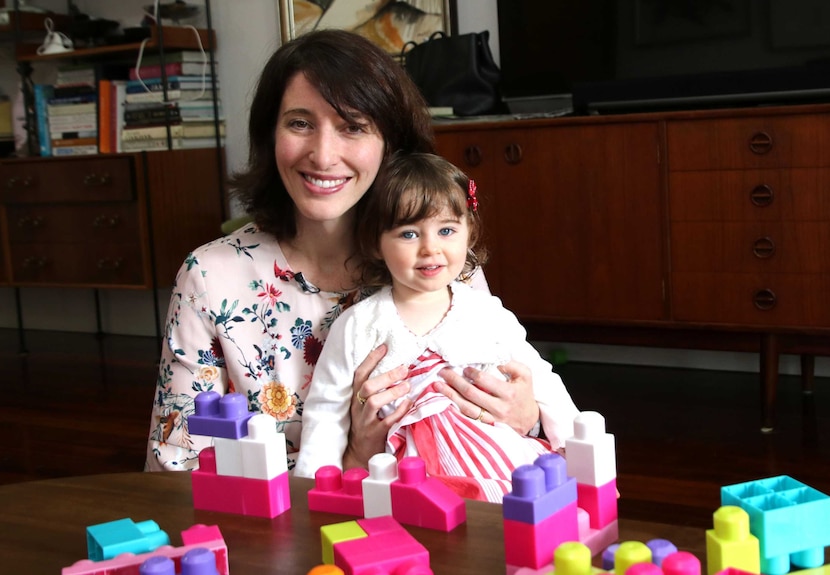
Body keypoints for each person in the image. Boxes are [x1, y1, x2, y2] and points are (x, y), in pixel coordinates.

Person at [145, 29, 544, 473]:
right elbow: (176, 470)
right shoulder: (209, 276)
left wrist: (528, 417)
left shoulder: (441, 265)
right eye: (300, 123)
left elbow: (514, 420)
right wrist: (355, 456)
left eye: (353, 126)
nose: (323, 155)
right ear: (269, 134)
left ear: (391, 145)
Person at [295, 153, 580, 502]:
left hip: (495, 463)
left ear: (468, 233)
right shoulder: (358, 325)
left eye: (446, 230)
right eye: (409, 234)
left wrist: (575, 449)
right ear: (376, 244)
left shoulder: (487, 314)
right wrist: (311, 492)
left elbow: (542, 382)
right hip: (406, 478)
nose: (430, 248)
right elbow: (325, 415)